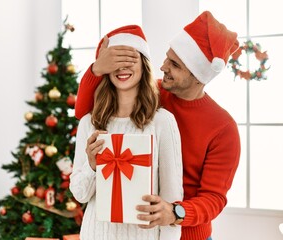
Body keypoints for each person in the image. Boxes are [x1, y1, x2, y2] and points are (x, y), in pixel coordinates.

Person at [74, 11, 241, 240]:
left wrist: (174, 212)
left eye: (174, 64)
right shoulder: (154, 94)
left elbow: (214, 198)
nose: (162, 67)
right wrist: (97, 69)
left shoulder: (223, 127)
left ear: (196, 75)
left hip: (188, 231)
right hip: (139, 226)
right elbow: (87, 111)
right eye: (166, 58)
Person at [69, 25, 183, 240]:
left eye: (130, 59)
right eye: (116, 61)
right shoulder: (89, 123)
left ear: (144, 65)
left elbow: (171, 199)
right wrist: (92, 166)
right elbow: (80, 195)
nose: (122, 68)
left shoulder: (162, 122)